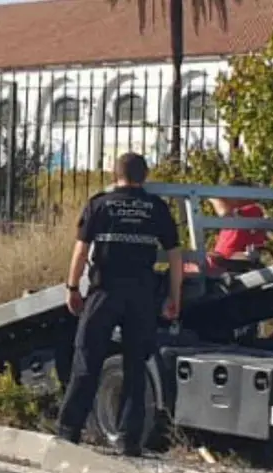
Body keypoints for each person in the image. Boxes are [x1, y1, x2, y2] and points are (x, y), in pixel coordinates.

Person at [56, 152, 182, 457]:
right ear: (145, 176)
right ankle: (129, 439)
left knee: (86, 359)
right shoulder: (157, 208)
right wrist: (174, 297)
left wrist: (72, 287)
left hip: (104, 291)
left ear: (115, 175)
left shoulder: (100, 204)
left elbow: (80, 251)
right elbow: (175, 257)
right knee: (135, 366)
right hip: (141, 295)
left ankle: (68, 432)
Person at [205, 179, 269, 273]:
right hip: (222, 263)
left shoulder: (253, 209)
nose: (225, 199)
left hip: (235, 263)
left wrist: (213, 197)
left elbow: (225, 213)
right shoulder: (233, 215)